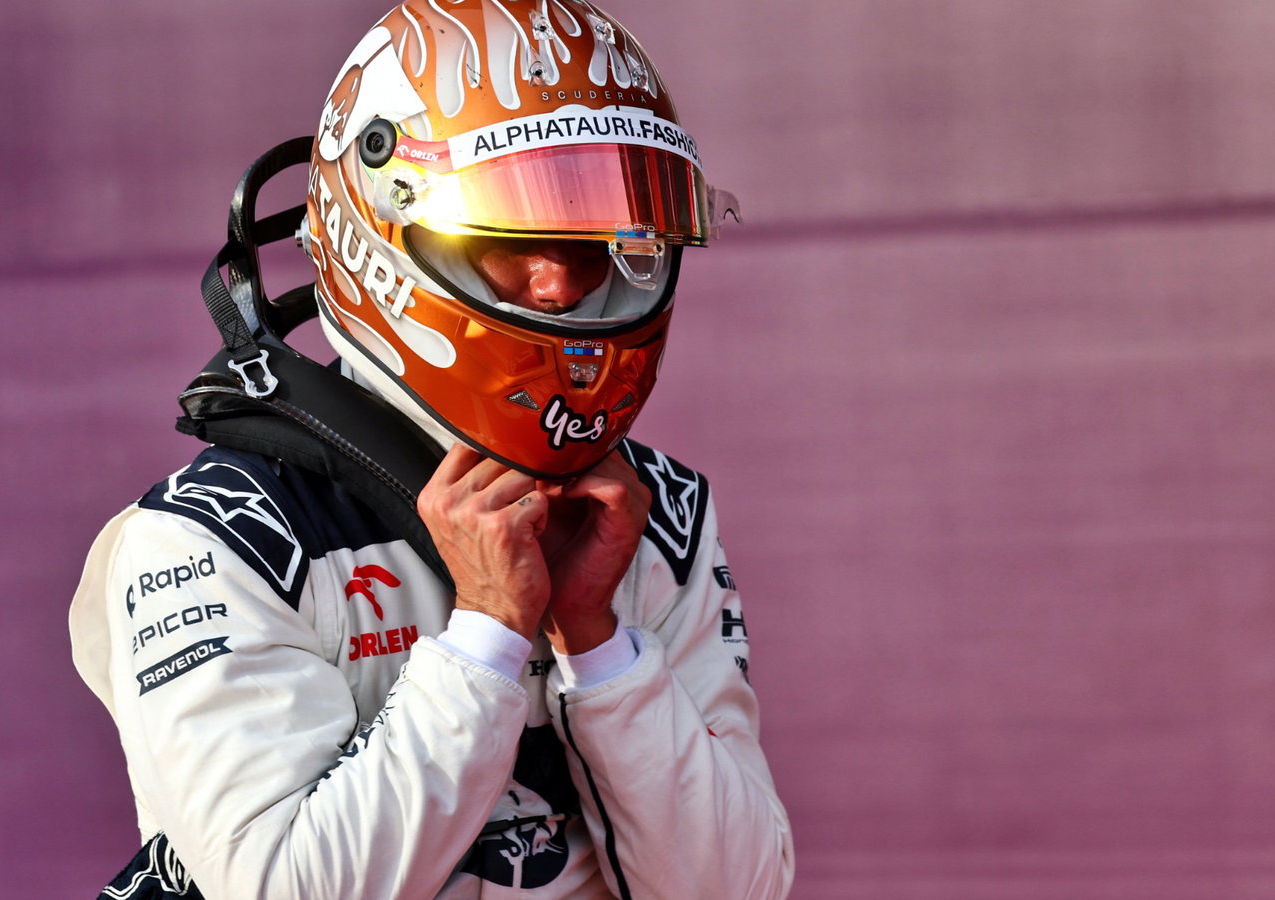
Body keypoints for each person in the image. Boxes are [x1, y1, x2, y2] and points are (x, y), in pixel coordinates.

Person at [68, 2, 794, 898]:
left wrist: (598, 640)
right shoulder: (212, 540)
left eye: (596, 234)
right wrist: (488, 631)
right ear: (381, 235)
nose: (563, 282)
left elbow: (734, 887)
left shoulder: (655, 516)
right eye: (513, 230)